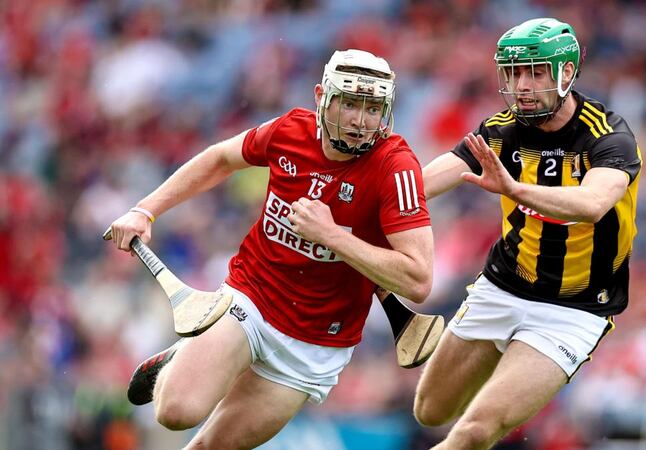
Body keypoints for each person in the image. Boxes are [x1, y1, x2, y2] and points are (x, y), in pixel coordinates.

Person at [106, 49, 433, 449]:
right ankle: (185, 356)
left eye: (372, 108)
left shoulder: (396, 166)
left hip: (316, 346)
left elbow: (418, 279)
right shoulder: (289, 130)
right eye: (349, 103)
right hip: (251, 300)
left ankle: (186, 354)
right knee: (176, 412)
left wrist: (332, 236)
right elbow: (221, 158)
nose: (360, 121)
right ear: (321, 98)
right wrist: (146, 210)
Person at [413, 18, 643, 449]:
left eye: (536, 71)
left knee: (475, 430)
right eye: (514, 73)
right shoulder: (500, 130)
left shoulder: (608, 136)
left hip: (574, 311)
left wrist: (514, 189)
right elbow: (423, 185)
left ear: (567, 73)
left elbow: (593, 205)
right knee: (430, 411)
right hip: (502, 287)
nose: (522, 85)